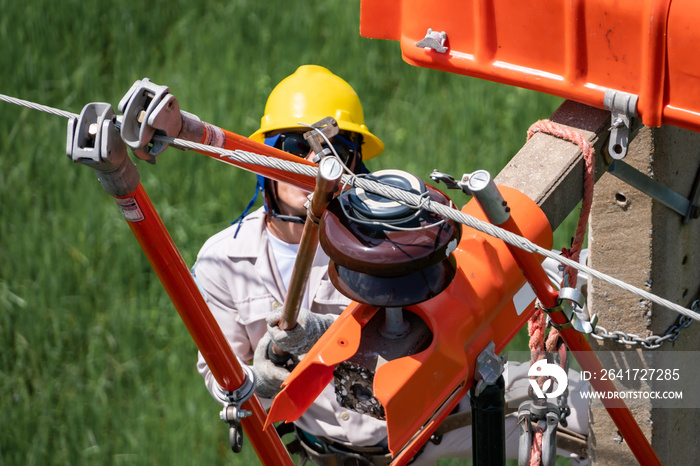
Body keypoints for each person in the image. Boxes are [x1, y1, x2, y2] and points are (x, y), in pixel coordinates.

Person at [193, 65, 589, 465]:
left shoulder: (389, 240)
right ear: (265, 158)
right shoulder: (223, 261)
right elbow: (220, 372)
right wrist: (255, 383)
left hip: (438, 415)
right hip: (330, 450)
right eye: (296, 148)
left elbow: (432, 324)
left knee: (587, 404)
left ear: (354, 166)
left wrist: (321, 337)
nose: (312, 163)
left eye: (334, 151)